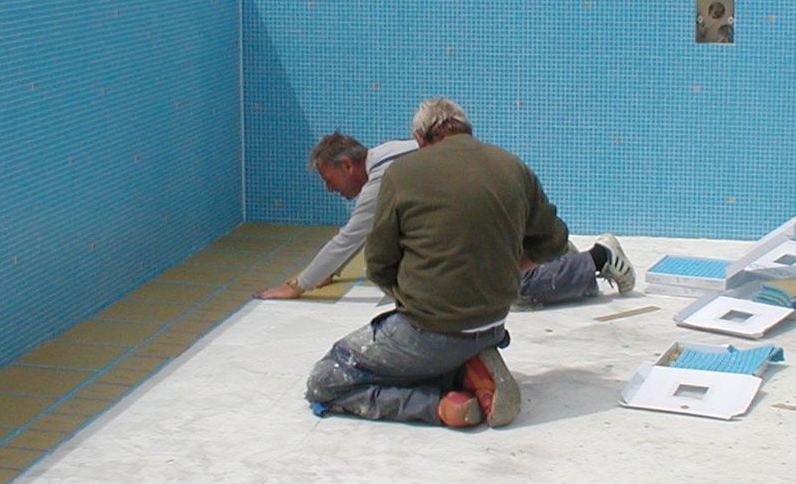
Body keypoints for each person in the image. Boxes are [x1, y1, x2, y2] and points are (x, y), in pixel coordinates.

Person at [303, 98, 580, 427]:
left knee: (326, 379)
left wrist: (411, 296)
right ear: (465, 129)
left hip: (431, 331)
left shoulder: (403, 173)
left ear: (420, 138)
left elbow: (378, 265)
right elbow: (554, 240)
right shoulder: (513, 166)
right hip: (492, 324)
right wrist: (511, 267)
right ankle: (469, 365)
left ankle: (442, 407)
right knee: (426, 347)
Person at [256, 134, 634, 304]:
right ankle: (556, 254)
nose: (329, 189)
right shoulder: (389, 151)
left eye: (329, 179)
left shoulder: (381, 180)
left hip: (492, 216)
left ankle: (598, 258)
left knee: (506, 289)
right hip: (502, 205)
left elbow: (349, 237)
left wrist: (299, 285)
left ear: (348, 166)